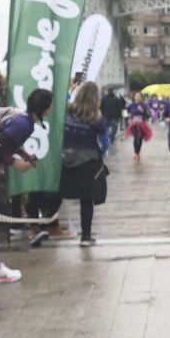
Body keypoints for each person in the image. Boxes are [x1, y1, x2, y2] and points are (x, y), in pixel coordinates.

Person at [0, 88, 54, 283]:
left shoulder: (24, 119)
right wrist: (14, 162)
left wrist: (25, 156)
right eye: (51, 105)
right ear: (45, 109)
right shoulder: (25, 124)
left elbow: (7, 140)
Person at [59, 81, 108, 247]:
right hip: (88, 160)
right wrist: (102, 153)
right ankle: (85, 236)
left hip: (65, 157)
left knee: (58, 193)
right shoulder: (97, 117)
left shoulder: (67, 110)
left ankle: (41, 227)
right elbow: (104, 141)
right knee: (86, 199)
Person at [126, 91, 151, 162]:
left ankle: (138, 153)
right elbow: (127, 112)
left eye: (139, 96)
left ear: (141, 97)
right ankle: (136, 153)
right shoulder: (131, 105)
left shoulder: (144, 105)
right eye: (136, 96)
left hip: (142, 124)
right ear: (134, 97)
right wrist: (128, 117)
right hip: (134, 124)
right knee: (136, 137)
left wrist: (143, 111)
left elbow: (148, 115)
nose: (137, 97)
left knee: (140, 139)